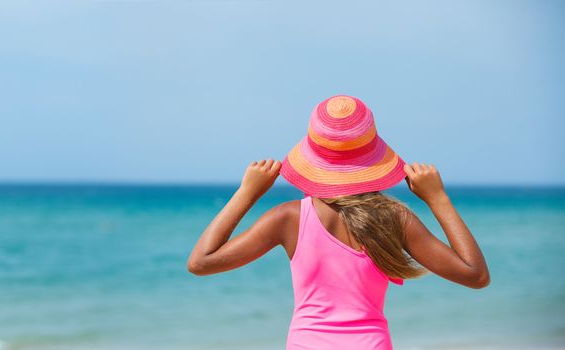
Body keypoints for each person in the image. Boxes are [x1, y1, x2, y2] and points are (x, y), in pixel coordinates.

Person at [186, 95, 490, 350]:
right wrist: (437, 198)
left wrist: (248, 192)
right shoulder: (393, 218)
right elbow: (475, 275)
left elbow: (201, 262)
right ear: (372, 157)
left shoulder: (288, 218)